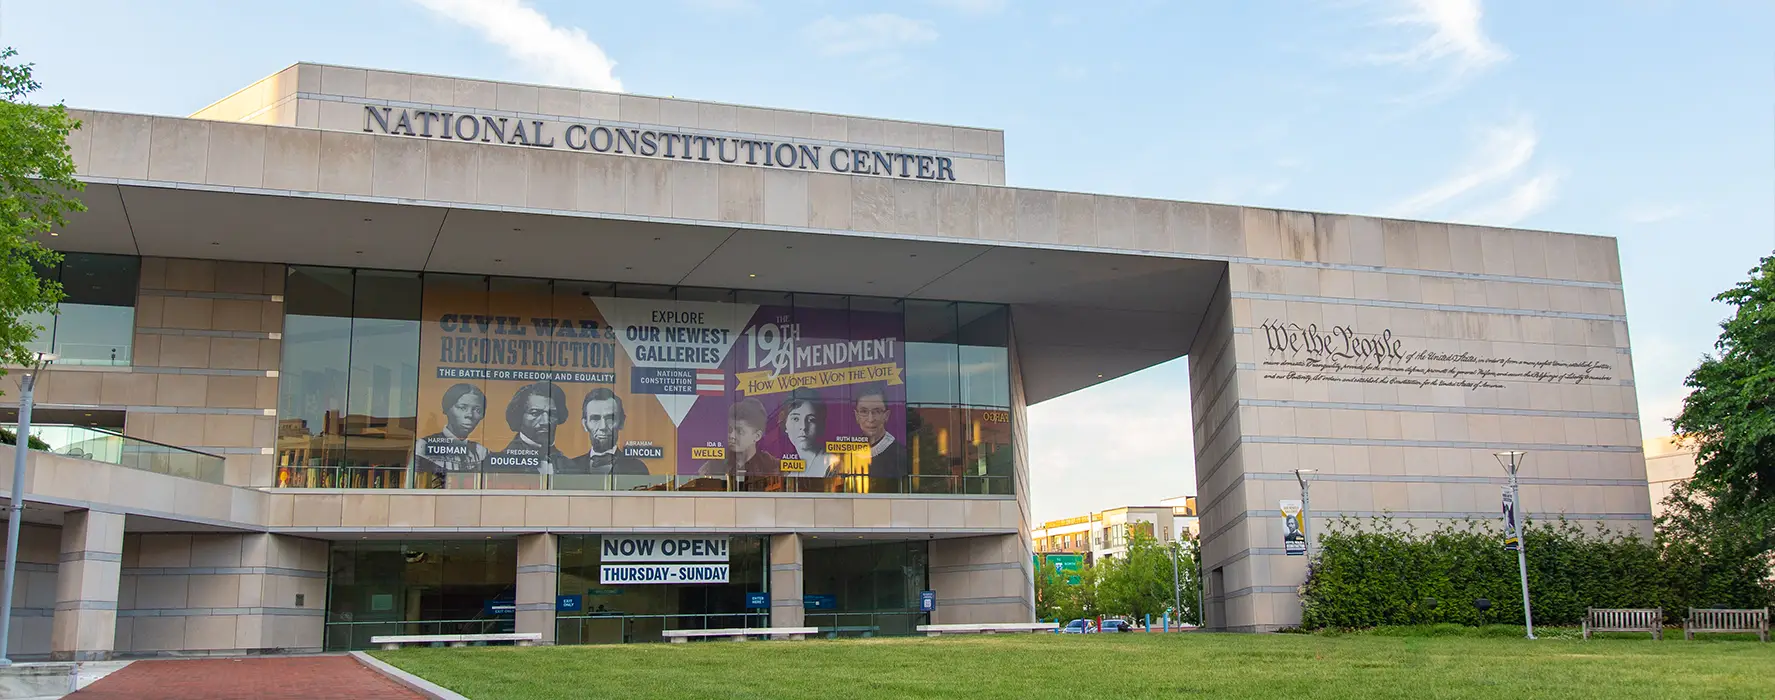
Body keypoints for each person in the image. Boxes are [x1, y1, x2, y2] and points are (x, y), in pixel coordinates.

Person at [413, 383, 491, 486]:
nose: (469, 415)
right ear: (447, 409)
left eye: (477, 410)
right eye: (462, 408)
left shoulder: (481, 452)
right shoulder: (424, 446)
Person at [561, 388, 649, 475]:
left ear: (621, 422)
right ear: (585, 424)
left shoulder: (638, 468)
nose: (603, 426)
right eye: (595, 419)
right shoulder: (570, 468)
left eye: (610, 419)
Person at [487, 382, 569, 474]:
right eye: (535, 413)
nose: (545, 422)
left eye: (552, 414)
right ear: (519, 416)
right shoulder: (493, 465)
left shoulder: (571, 466)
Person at [699, 398, 779, 481]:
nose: (731, 436)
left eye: (739, 431)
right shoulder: (713, 465)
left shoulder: (772, 466)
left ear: (757, 436)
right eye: (730, 430)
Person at [779, 387, 839, 477]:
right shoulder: (791, 473)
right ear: (785, 425)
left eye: (811, 420)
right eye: (795, 419)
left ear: (820, 425)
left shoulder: (831, 464)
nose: (803, 427)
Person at [852, 383, 906, 479]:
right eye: (864, 411)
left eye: (877, 411)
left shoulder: (901, 455)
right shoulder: (845, 453)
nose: (870, 419)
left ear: (886, 415)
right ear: (857, 416)